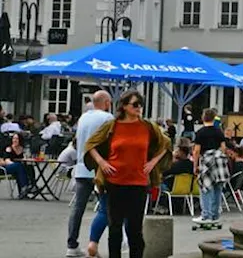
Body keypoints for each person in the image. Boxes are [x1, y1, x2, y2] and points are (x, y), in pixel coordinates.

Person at [84, 91, 172, 258]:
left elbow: (166, 143)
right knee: (115, 228)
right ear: (124, 106)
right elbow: (90, 144)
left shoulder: (147, 126)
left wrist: (153, 162)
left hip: (138, 183)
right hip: (114, 182)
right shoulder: (113, 125)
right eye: (135, 104)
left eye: (141, 104)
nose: (139, 108)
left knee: (135, 230)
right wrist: (102, 162)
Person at [67, 90, 114, 258]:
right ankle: (102, 241)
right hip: (99, 169)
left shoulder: (83, 118)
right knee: (106, 207)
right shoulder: (108, 119)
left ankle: (71, 245)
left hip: (81, 167)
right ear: (107, 103)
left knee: (77, 208)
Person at [192, 108, 229, 226]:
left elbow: (196, 151)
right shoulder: (219, 131)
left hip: (207, 159)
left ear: (203, 117)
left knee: (206, 188)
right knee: (218, 188)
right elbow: (223, 147)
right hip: (218, 160)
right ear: (214, 118)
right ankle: (214, 216)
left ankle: (205, 215)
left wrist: (195, 165)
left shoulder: (200, 132)